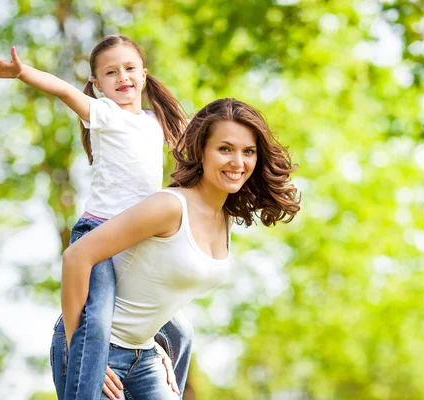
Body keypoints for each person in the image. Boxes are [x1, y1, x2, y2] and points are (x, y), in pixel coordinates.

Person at [0, 35, 191, 400]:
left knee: (181, 333)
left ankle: (172, 384)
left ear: (143, 74)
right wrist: (21, 72)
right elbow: (62, 90)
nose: (122, 77)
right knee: (96, 326)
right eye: (111, 72)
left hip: (136, 242)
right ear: (96, 83)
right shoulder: (104, 114)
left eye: (129, 69)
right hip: (98, 237)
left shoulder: (157, 122)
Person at [61, 98, 301, 399]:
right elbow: (77, 256)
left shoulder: (224, 218)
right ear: (201, 151)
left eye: (248, 151)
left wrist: (157, 340)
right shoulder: (170, 206)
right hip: (98, 349)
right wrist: (80, 350)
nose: (238, 162)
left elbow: (161, 280)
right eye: (225, 149)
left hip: (145, 355)